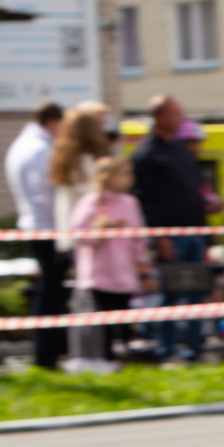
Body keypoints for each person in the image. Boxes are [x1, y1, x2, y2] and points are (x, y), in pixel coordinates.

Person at [131, 95, 210, 362]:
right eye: (176, 113)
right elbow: (147, 201)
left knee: (197, 291)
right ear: (160, 118)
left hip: (195, 235)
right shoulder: (146, 154)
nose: (180, 118)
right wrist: (160, 235)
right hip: (171, 237)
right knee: (170, 293)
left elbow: (192, 191)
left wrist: (206, 213)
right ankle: (167, 348)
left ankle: (195, 346)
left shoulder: (180, 151)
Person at [49, 102, 114, 369]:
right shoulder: (86, 163)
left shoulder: (67, 160)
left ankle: (85, 355)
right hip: (89, 238)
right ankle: (89, 357)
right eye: (99, 125)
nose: (104, 130)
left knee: (82, 296)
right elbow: (95, 199)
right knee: (89, 298)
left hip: (74, 236)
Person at [69, 153, 153, 358]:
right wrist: (101, 229)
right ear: (108, 176)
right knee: (102, 320)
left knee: (124, 316)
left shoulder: (130, 203)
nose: (128, 178)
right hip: (99, 274)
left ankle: (126, 355)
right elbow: (79, 235)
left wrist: (141, 260)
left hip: (124, 271)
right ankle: (103, 358)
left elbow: (138, 236)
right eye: (124, 174)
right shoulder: (90, 202)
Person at [3, 101, 65, 369]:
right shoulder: (41, 149)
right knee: (50, 292)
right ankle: (46, 355)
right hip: (47, 227)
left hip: (35, 225)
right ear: (52, 121)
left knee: (47, 289)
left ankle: (47, 352)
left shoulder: (22, 144)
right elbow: (46, 194)